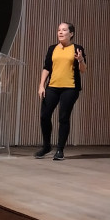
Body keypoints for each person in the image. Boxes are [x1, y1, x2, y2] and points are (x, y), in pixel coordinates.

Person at [36, 22, 87, 161]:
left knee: (63, 117)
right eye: (59, 30)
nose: (60, 32)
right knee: (44, 116)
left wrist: (81, 60)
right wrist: (41, 85)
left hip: (70, 88)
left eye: (64, 30)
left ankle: (60, 149)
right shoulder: (52, 48)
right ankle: (46, 146)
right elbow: (46, 68)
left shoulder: (77, 48)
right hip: (52, 86)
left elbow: (83, 70)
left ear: (71, 34)